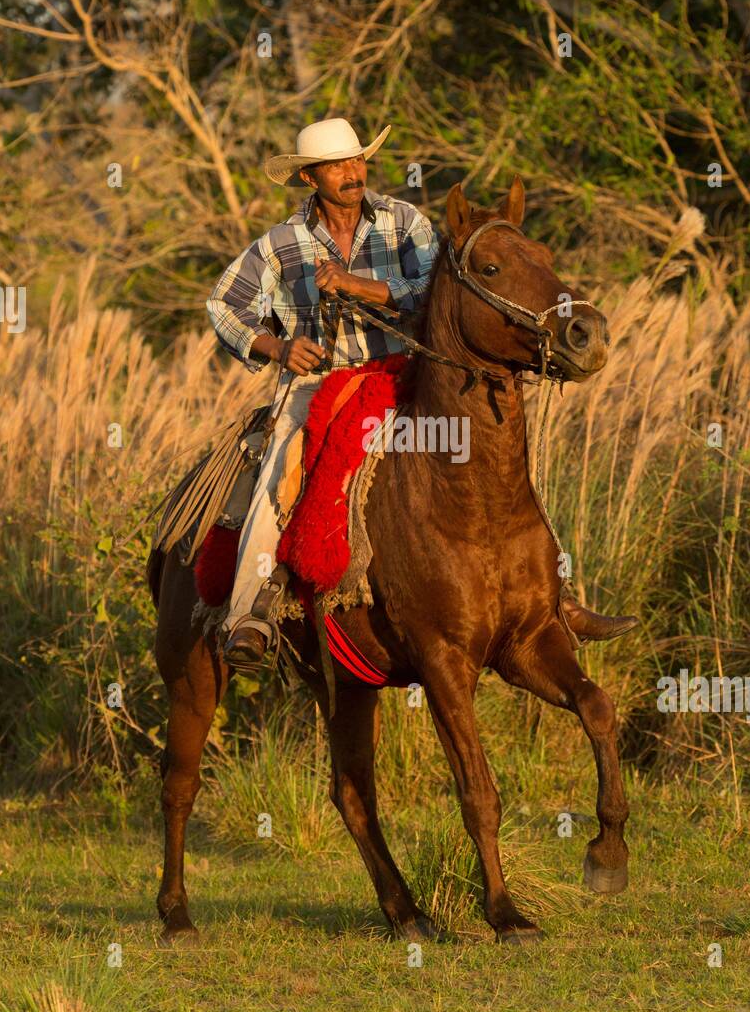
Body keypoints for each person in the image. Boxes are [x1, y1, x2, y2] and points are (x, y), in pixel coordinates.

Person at [207, 116, 636, 671]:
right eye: (337, 165)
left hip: (404, 375)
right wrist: (277, 348)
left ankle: (555, 597)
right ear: (310, 178)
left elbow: (443, 289)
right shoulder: (279, 246)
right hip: (319, 383)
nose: (352, 172)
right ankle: (252, 612)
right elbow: (224, 306)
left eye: (357, 160)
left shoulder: (403, 221)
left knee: (496, 458)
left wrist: (360, 285)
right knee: (282, 465)